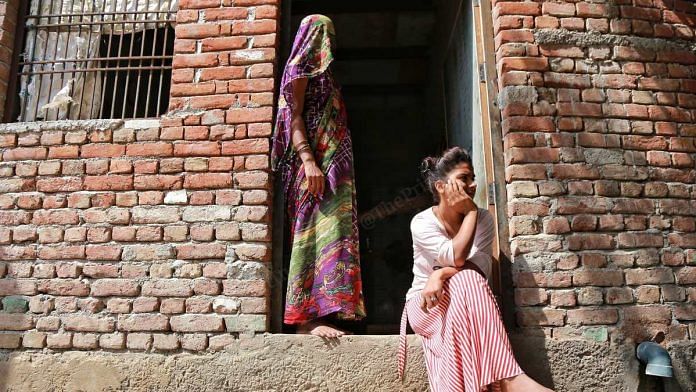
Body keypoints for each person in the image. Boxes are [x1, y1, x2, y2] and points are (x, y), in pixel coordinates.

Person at [397, 147, 552, 391]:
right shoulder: (422, 222)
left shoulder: (485, 220)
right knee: (465, 278)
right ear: (441, 187)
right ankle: (511, 380)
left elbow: (480, 268)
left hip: (464, 304)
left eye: (472, 178)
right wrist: (469, 211)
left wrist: (440, 273)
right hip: (425, 306)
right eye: (463, 179)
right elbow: (457, 257)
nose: (472, 185)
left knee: (467, 280)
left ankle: (499, 381)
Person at [271, 15, 366, 338]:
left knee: (336, 235)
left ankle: (328, 312)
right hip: (314, 170)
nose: (329, 42)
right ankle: (303, 320)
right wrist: (309, 161)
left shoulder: (328, 76)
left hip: (335, 172)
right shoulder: (300, 69)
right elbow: (294, 115)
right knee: (310, 235)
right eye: (324, 33)